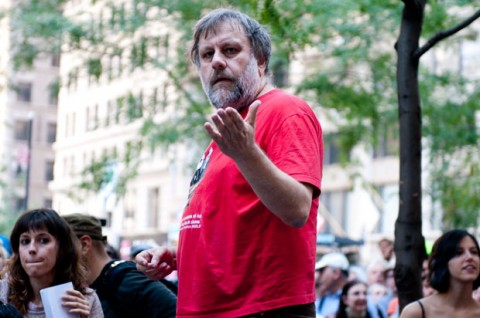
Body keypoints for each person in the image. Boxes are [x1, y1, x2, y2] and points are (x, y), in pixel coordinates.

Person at [136, 7, 323, 318]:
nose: (217, 61)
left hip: (261, 309)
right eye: (206, 55)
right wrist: (178, 255)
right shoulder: (229, 132)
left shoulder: (286, 111)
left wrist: (246, 153)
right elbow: (234, 225)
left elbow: (296, 210)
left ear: (260, 61)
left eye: (231, 50)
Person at [63, 213, 177, 318]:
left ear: (84, 244)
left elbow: (175, 313)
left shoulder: (127, 280)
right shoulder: (100, 283)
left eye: (63, 246)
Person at [0, 208, 103, 317]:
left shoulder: (85, 300)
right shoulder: (3, 293)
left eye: (43, 240)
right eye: (25, 241)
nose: (32, 249)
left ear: (62, 248)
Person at [400, 229, 480, 318]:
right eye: (458, 253)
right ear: (443, 261)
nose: (469, 257)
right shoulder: (416, 312)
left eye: (474, 252)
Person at [315, 253, 350, 318]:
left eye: (321, 270)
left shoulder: (350, 299)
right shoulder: (318, 293)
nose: (318, 274)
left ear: (336, 273)